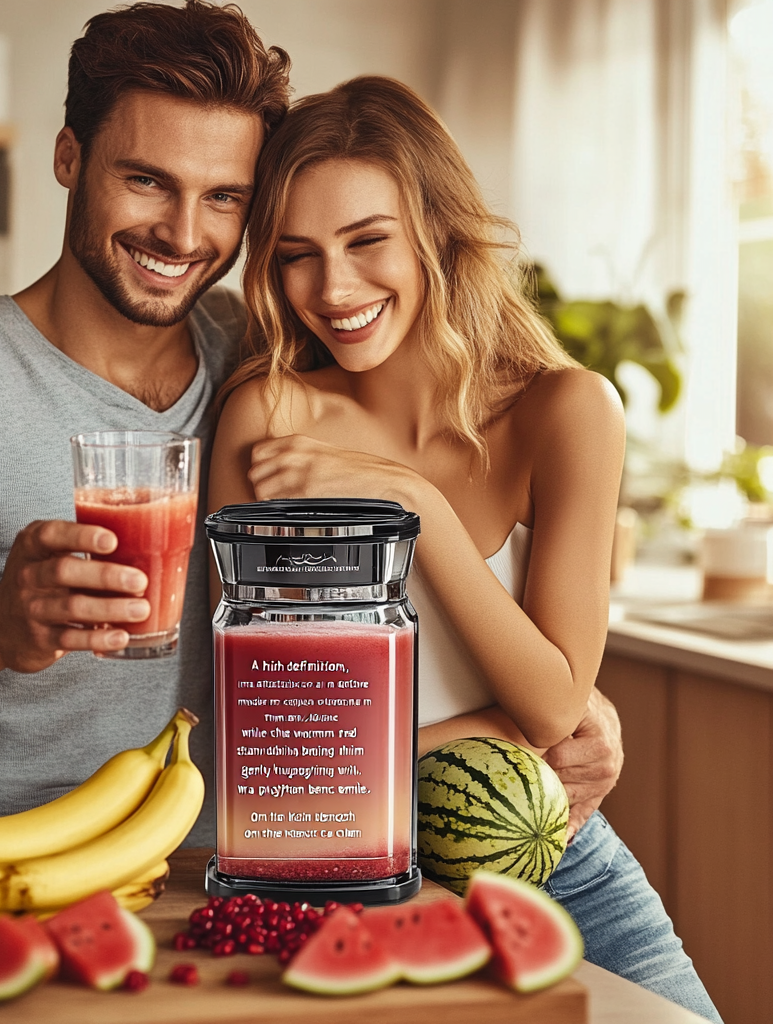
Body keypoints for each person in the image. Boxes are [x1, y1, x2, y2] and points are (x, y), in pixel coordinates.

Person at [0, 3, 620, 856]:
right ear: (70, 158)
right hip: (20, 871)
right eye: (146, 180)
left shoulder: (263, 361)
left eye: (223, 199)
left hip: (260, 864)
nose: (181, 233)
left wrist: (567, 707)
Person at [210, 76, 722, 1022]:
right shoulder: (270, 415)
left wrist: (415, 505)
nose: (334, 290)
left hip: (562, 866)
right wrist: (505, 735)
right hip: (343, 876)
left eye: (368, 242)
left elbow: (554, 700)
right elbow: (281, 755)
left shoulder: (567, 413)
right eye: (297, 256)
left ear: (438, 231)